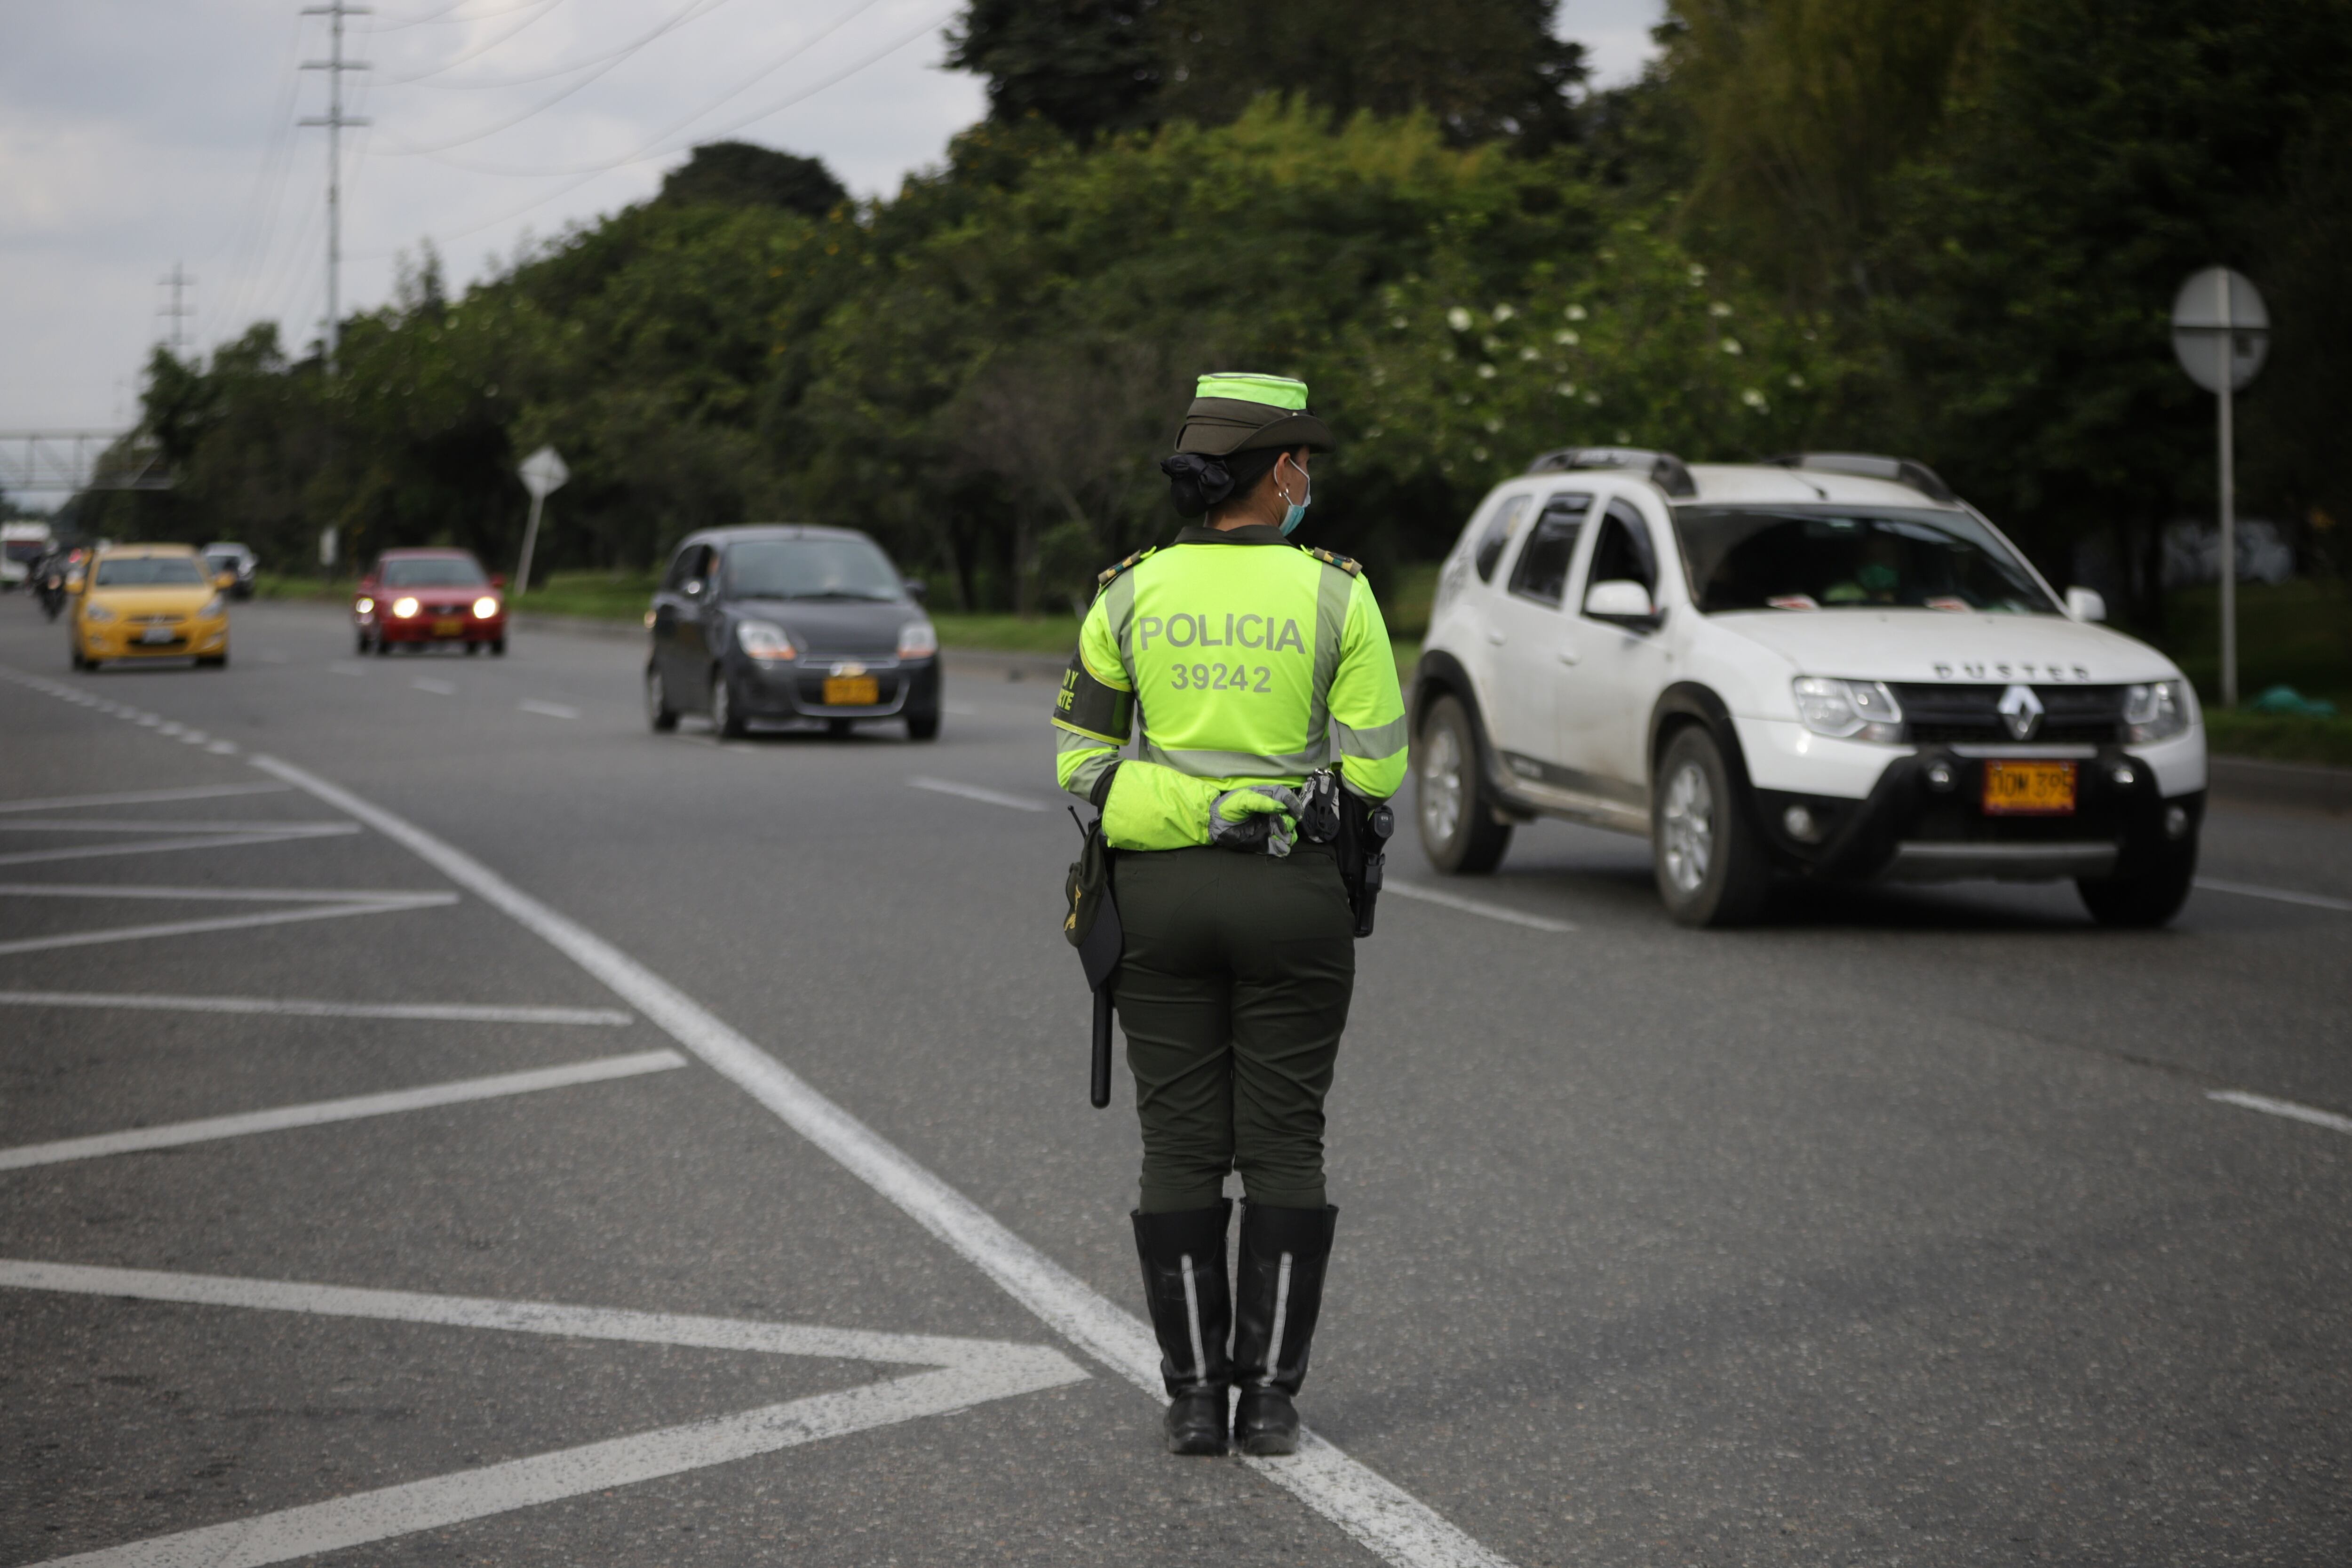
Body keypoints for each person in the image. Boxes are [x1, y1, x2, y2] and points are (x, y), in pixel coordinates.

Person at [1051, 372, 1407, 1456]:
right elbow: (1378, 773)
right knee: (1285, 1143)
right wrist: (1266, 803)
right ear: (1281, 472)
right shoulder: (1340, 594)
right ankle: (1272, 1403)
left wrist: (1194, 805)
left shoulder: (1125, 593)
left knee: (1181, 1145)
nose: (1312, 481)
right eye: (1307, 463)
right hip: (1294, 897)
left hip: (1155, 898)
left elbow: (1083, 764)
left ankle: (1195, 1396)